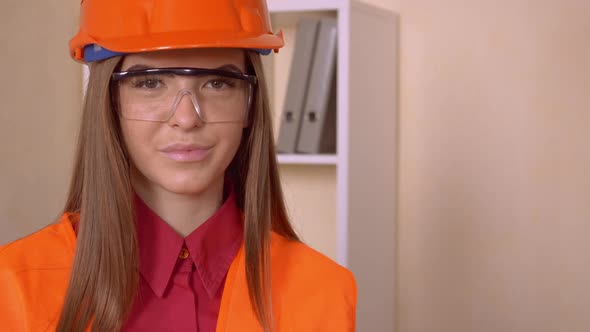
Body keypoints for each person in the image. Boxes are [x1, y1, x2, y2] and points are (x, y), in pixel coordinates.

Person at [0, 0, 356, 331]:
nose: (186, 118)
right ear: (108, 102)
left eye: (218, 83)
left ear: (249, 105)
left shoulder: (324, 292)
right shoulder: (13, 286)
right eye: (150, 82)